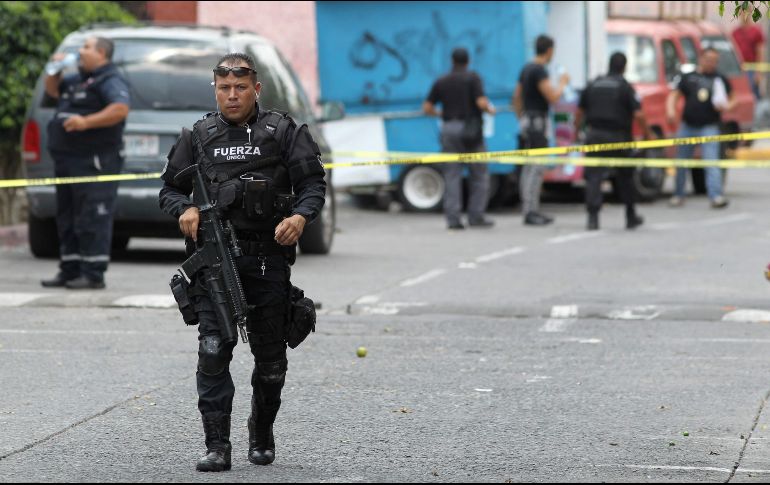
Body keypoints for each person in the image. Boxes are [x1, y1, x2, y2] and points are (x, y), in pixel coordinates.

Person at [158, 53, 326, 472]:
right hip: (215, 265)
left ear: (256, 89)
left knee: (270, 363)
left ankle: (261, 433)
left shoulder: (283, 132)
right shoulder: (197, 135)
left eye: (240, 87)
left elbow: (313, 184)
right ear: (215, 89)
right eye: (223, 88)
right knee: (214, 350)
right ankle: (217, 445)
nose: (232, 96)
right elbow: (167, 189)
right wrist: (184, 209)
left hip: (267, 261)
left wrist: (300, 217)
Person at [40, 37, 130, 289]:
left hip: (95, 162)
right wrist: (53, 71)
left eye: (86, 47)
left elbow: (120, 109)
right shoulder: (77, 78)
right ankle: (69, 269)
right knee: (67, 216)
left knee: (92, 217)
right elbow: (53, 91)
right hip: (67, 160)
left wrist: (85, 122)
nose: (80, 52)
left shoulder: (110, 79)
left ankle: (93, 273)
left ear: (101, 53)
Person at [574, 52, 654, 231]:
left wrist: (576, 132)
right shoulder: (624, 87)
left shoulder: (593, 84)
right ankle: (630, 215)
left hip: (595, 136)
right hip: (619, 138)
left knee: (594, 177)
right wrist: (648, 135)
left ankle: (593, 218)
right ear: (624, 67)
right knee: (625, 177)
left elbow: (579, 112)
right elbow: (639, 114)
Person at [423, 47, 496, 230]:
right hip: (470, 129)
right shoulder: (473, 77)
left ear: (452, 60)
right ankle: (476, 216)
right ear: (468, 61)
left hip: (449, 128)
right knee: (479, 174)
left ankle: (453, 218)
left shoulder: (442, 81)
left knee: (452, 175)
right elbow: (480, 102)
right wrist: (489, 109)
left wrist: (441, 113)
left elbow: (427, 107)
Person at [666, 47, 735, 209]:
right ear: (701, 59)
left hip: (709, 127)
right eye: (708, 59)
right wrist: (670, 111)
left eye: (714, 61)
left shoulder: (719, 79)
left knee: (711, 162)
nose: (711, 63)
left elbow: (734, 98)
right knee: (681, 162)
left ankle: (715, 196)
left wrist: (726, 106)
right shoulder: (689, 77)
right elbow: (674, 94)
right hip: (688, 126)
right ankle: (678, 194)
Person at [512, 35, 569, 226]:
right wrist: (562, 83)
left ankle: (529, 208)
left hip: (528, 119)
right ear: (549, 50)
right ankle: (531, 211)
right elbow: (552, 96)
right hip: (538, 121)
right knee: (536, 167)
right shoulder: (539, 70)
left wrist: (521, 117)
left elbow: (516, 97)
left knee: (528, 166)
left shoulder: (526, 68)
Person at [732, 9, 765, 99]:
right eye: (742, 12)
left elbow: (760, 53)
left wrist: (759, 73)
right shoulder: (735, 32)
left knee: (753, 95)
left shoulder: (756, 31)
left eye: (746, 11)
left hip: (752, 70)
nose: (744, 14)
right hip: (739, 70)